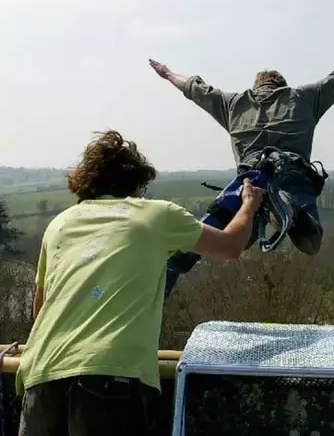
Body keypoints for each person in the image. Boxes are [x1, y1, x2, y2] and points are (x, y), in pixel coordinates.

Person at [16, 130, 264, 436]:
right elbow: (230, 246)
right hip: (112, 378)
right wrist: (248, 206)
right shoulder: (156, 214)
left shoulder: (60, 224)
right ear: (137, 185)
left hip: (42, 378)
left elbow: (41, 309)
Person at [149, 35, 334, 255]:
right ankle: (290, 209)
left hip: (250, 179)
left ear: (257, 86)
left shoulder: (234, 105)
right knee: (311, 243)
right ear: (282, 85)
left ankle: (253, 210)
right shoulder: (304, 98)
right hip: (293, 174)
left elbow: (196, 89)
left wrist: (168, 73)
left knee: (238, 241)